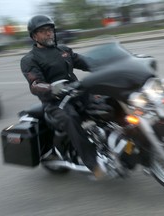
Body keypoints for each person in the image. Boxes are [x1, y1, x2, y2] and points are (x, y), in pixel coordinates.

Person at [20, 15, 106, 179]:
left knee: (106, 102)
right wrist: (52, 88)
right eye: (43, 31)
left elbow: (86, 62)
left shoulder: (64, 50)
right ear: (34, 36)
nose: (48, 34)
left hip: (76, 92)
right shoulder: (29, 59)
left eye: (50, 30)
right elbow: (35, 83)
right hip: (55, 102)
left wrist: (109, 64)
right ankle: (93, 164)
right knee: (70, 118)